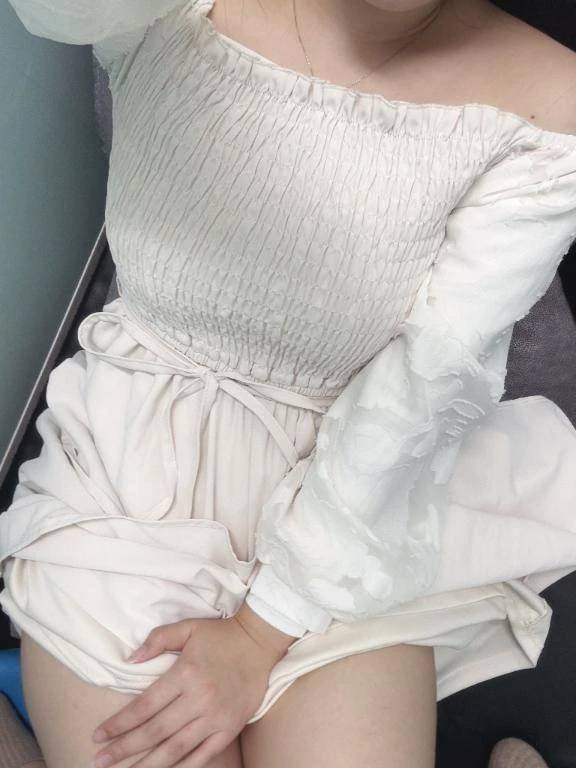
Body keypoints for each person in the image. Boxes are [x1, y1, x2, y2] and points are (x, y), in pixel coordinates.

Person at [1, 0, 576, 766]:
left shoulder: (548, 102)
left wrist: (261, 628)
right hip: (121, 460)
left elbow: (427, 386)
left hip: (349, 495)